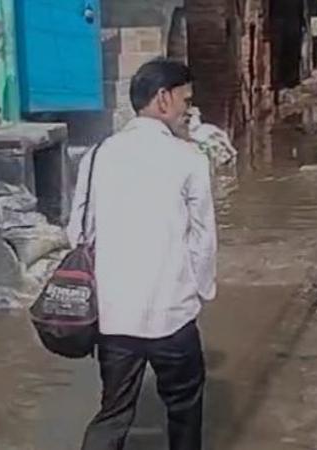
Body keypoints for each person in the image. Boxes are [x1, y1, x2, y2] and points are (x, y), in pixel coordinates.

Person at [67, 58, 217, 450]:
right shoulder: (190, 158)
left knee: (113, 415)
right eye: (186, 100)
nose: (189, 110)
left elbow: (77, 232)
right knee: (184, 409)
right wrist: (200, 291)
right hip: (174, 315)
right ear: (163, 99)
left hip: (115, 319)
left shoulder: (97, 155)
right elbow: (203, 237)